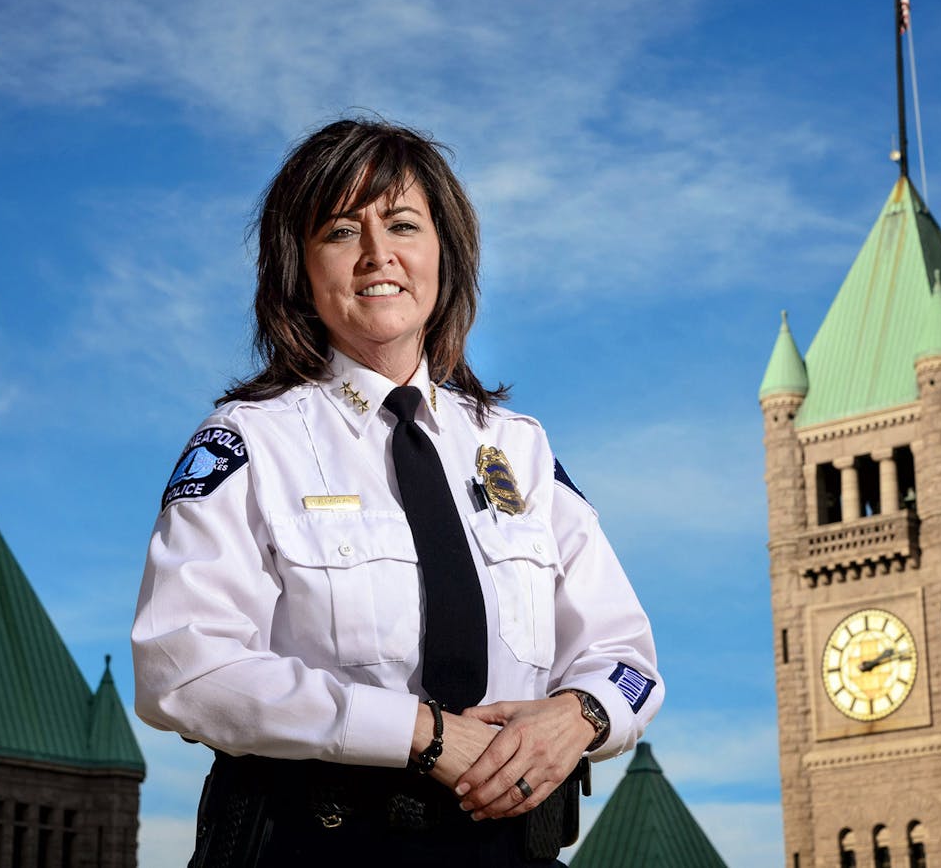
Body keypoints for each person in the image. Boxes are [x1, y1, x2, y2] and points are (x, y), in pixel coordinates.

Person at [132, 118, 662, 867]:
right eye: (342, 231)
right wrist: (419, 734)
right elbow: (181, 670)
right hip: (316, 847)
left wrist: (577, 717)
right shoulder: (249, 443)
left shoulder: (518, 449)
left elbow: (629, 661)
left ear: (444, 255)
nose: (378, 254)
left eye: (403, 225)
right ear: (301, 269)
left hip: (510, 851)